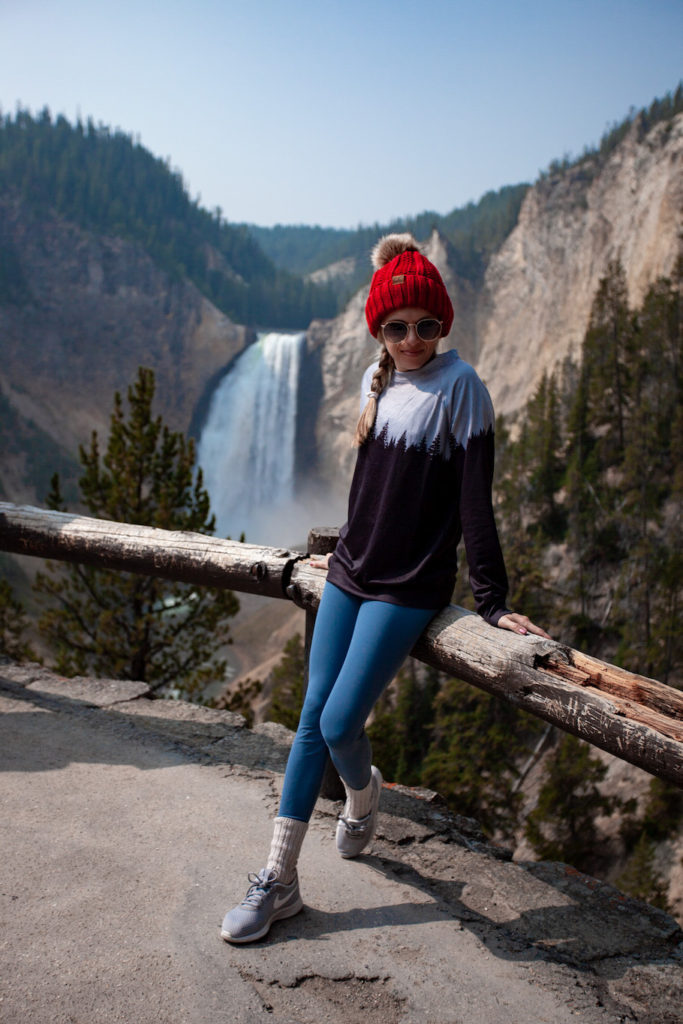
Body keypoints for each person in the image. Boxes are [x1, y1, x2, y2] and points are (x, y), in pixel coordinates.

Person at [221, 233, 550, 944]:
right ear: (379, 330)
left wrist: (490, 600)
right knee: (312, 717)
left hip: (408, 586)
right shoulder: (381, 383)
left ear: (443, 326)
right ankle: (278, 880)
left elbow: (474, 505)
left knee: (340, 723)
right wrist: (342, 554)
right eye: (396, 327)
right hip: (351, 568)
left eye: (424, 326)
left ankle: (364, 795)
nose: (410, 339)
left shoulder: (462, 388)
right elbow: (372, 492)